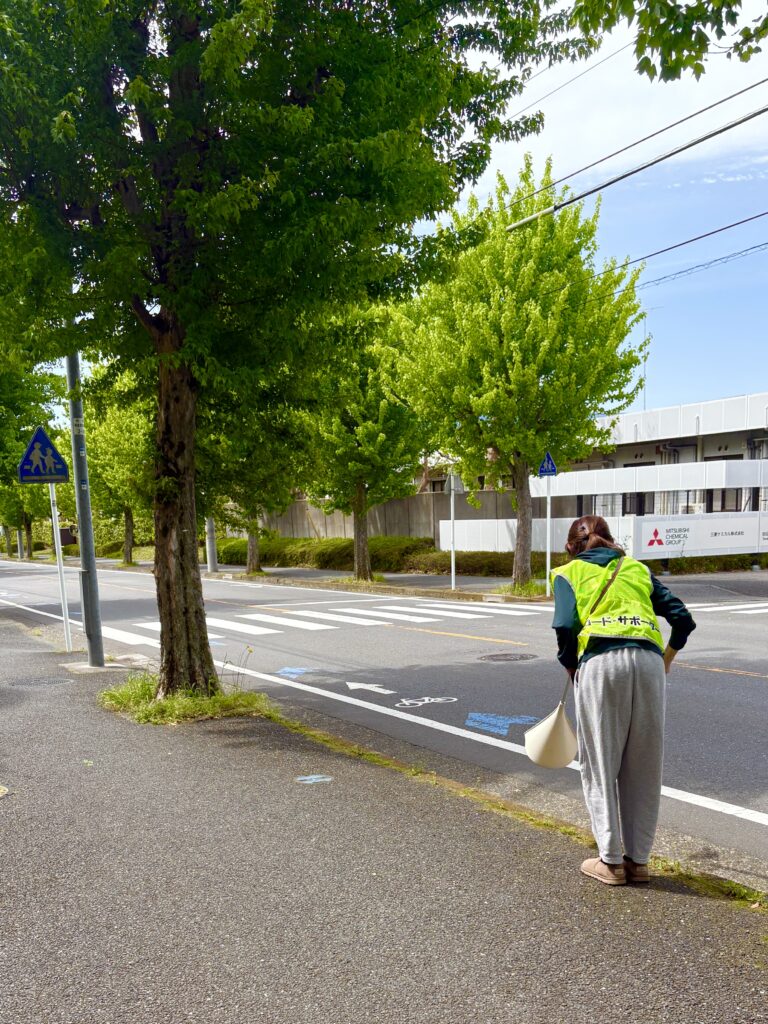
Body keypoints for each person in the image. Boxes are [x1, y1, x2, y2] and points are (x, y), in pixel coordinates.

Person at [551, 515, 695, 886]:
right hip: (648, 662)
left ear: (571, 547)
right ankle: (639, 861)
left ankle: (611, 862)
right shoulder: (637, 569)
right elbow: (682, 618)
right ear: (611, 540)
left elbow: (565, 625)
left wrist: (571, 665)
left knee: (601, 763)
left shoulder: (568, 573)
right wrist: (666, 658)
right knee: (644, 764)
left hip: (601, 663)